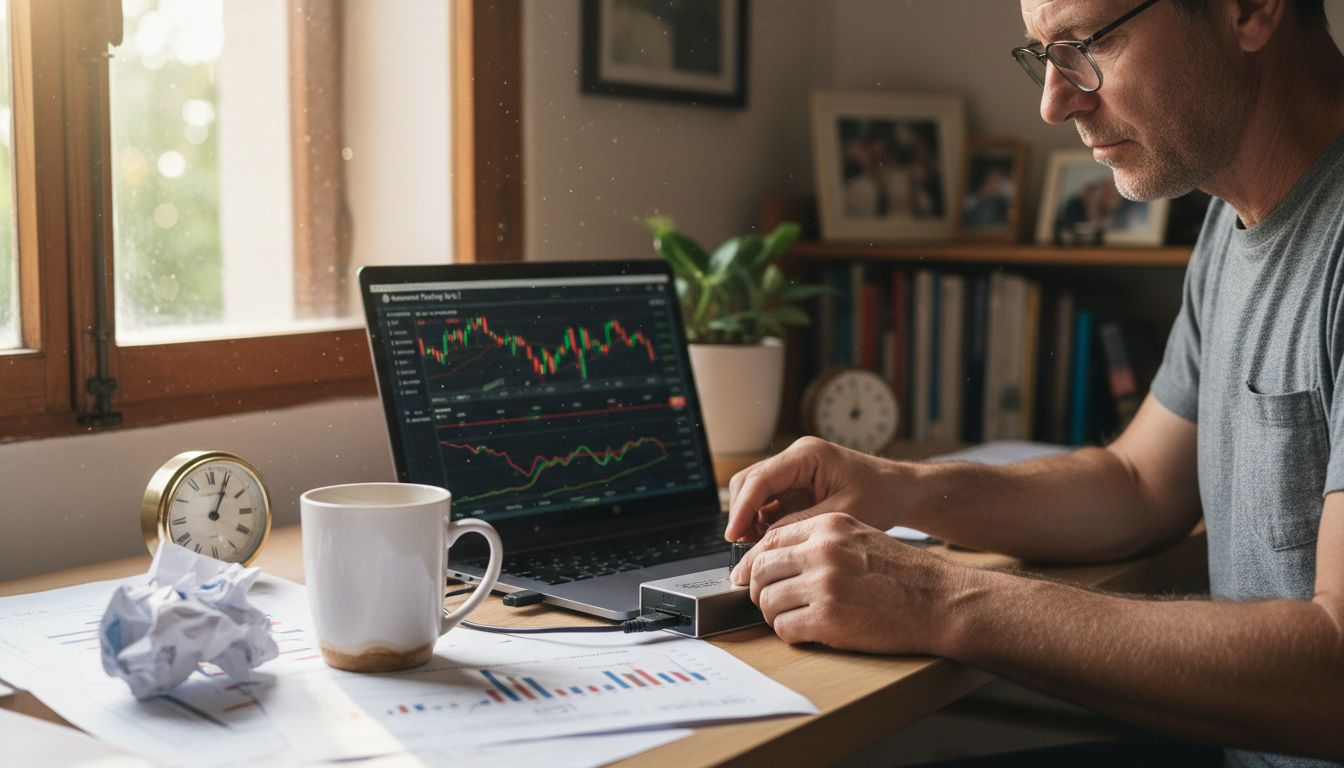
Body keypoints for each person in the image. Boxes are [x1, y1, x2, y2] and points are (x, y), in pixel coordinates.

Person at [725, 0, 1344, 765]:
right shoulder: (1233, 216)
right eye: (1043, 54)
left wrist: (936, 598)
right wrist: (896, 488)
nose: (1054, 102)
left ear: (1249, 10)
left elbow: (1334, 670)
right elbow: (1140, 482)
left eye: (1090, 44)